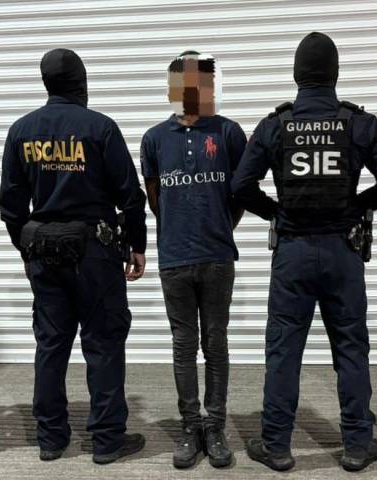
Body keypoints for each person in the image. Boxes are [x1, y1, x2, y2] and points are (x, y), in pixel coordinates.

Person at [232, 32, 377, 472]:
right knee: (350, 348)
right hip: (342, 251)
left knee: (284, 350)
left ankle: (276, 445)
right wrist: (358, 206)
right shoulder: (358, 123)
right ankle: (357, 445)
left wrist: (276, 212)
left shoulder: (276, 125)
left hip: (292, 251)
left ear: (297, 75)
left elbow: (240, 186)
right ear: (335, 74)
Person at [0, 48, 148, 465]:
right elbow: (130, 196)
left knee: (51, 345)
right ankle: (106, 441)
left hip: (44, 253)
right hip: (95, 253)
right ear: (82, 83)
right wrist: (137, 245)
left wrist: (27, 249)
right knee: (103, 343)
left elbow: (11, 205)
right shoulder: (100, 127)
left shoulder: (21, 131)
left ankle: (51, 439)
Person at [141, 50, 246, 469]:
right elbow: (155, 199)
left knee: (215, 342)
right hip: (174, 259)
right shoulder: (154, 139)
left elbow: (239, 193)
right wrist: (179, 227)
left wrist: (218, 225)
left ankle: (215, 425)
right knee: (183, 345)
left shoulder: (228, 133)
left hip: (217, 257)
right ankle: (191, 426)